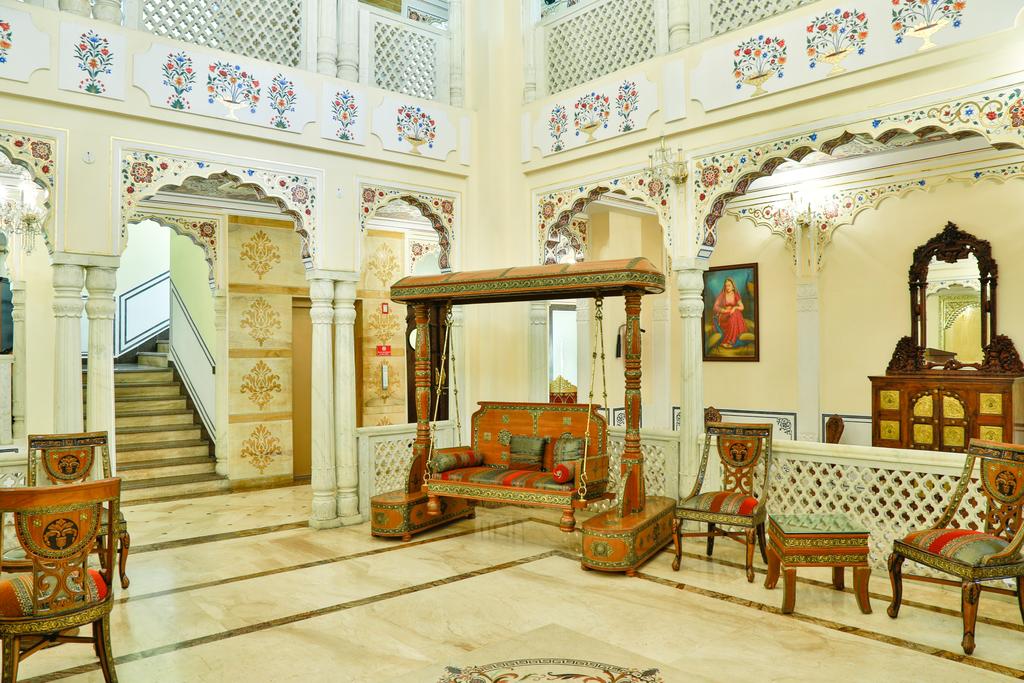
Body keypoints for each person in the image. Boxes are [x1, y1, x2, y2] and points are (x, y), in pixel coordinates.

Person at [713, 277, 747, 349]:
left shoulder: (735, 295)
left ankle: (731, 341)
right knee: (734, 315)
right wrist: (724, 310)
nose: (727, 287)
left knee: (735, 314)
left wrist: (734, 308)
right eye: (726, 286)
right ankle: (728, 341)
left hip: (733, 314)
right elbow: (715, 307)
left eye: (729, 285)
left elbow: (742, 307)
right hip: (724, 315)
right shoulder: (722, 295)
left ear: (733, 287)